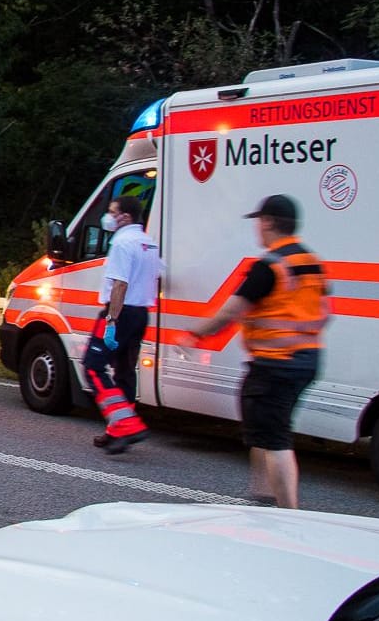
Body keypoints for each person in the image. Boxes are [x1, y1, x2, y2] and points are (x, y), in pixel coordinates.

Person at [190, 194, 328, 508]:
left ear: (268, 223)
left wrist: (195, 333)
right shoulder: (311, 263)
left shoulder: (269, 267)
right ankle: (262, 496)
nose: (257, 229)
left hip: (276, 364)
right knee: (263, 428)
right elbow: (325, 313)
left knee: (276, 437)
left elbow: (230, 312)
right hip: (307, 359)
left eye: (259, 222)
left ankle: (287, 511)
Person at [84, 196, 161, 454]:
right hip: (141, 313)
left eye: (112, 212)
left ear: (125, 217)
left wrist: (111, 320)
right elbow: (158, 274)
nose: (108, 217)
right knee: (125, 371)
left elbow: (119, 284)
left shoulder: (122, 242)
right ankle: (118, 430)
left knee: (93, 367)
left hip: (119, 313)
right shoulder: (149, 243)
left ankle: (126, 424)